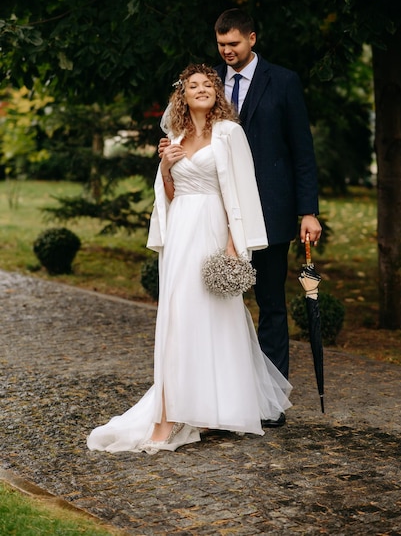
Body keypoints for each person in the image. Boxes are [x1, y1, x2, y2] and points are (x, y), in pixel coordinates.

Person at [87, 64, 292, 455]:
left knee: (215, 318)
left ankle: (214, 408)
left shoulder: (230, 134)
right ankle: (170, 411)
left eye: (208, 84)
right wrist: (166, 165)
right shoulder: (174, 136)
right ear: (183, 95)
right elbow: (168, 194)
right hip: (182, 233)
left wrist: (235, 249)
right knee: (178, 318)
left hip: (214, 232)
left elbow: (244, 193)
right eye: (193, 86)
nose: (201, 90)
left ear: (217, 92)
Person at [160, 11, 322, 428]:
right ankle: (216, 395)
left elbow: (302, 151)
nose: (227, 52)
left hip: (269, 213)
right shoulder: (206, 84)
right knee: (216, 305)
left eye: (234, 43)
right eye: (221, 45)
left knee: (270, 302)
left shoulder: (283, 81)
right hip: (212, 214)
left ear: (252, 38)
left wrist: (308, 211)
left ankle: (268, 402)